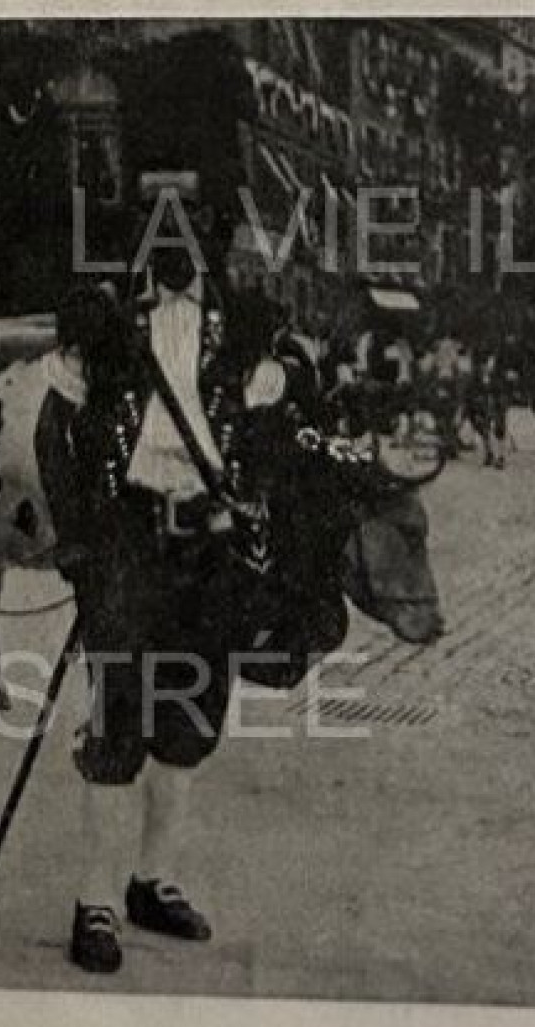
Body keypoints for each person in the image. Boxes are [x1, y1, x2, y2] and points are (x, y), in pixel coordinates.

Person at [45, 171, 330, 974]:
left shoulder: (246, 327)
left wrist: (259, 506)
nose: (170, 243)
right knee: (117, 726)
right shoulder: (99, 325)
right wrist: (76, 538)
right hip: (131, 543)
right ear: (138, 237)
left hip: (211, 550)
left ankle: (151, 880)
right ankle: (94, 900)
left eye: (186, 228)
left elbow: (276, 424)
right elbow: (50, 428)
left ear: (208, 239)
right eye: (154, 226)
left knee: (190, 719)